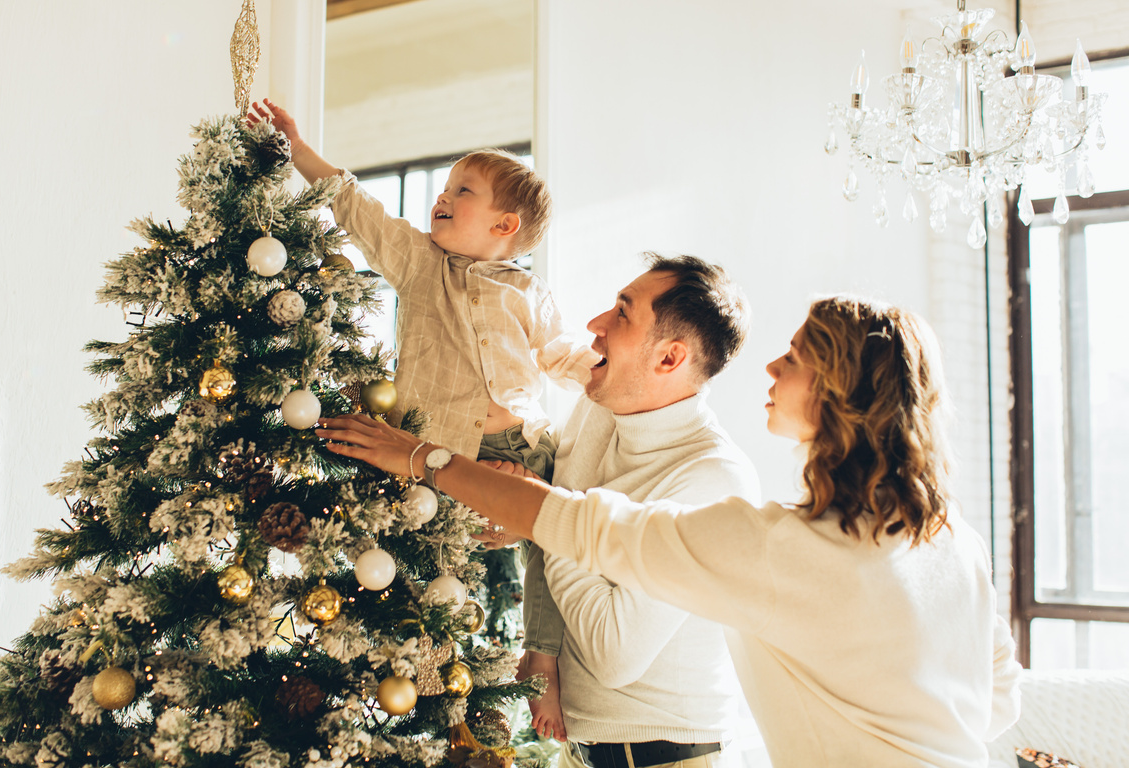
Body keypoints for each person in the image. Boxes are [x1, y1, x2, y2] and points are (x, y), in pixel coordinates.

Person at [316, 295, 1023, 768]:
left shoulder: (781, 549)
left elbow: (566, 520)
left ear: (837, 393)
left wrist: (418, 458)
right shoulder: (954, 541)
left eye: (795, 356)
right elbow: (997, 704)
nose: (771, 366)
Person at [246, 99, 598, 726]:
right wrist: (297, 148)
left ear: (504, 225)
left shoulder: (527, 290)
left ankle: (542, 656)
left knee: (555, 540)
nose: (443, 196)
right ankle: (430, 674)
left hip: (521, 444)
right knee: (432, 558)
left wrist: (607, 371)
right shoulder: (418, 263)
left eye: (463, 190)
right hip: (440, 450)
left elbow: (561, 354)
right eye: (445, 187)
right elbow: (355, 205)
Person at [486, 254, 761, 759]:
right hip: (582, 747)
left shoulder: (712, 480)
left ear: (669, 359)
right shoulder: (598, 411)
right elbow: (560, 527)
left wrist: (542, 516)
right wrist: (522, 515)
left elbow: (614, 654)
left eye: (622, 313)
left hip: (668, 755)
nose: (596, 325)